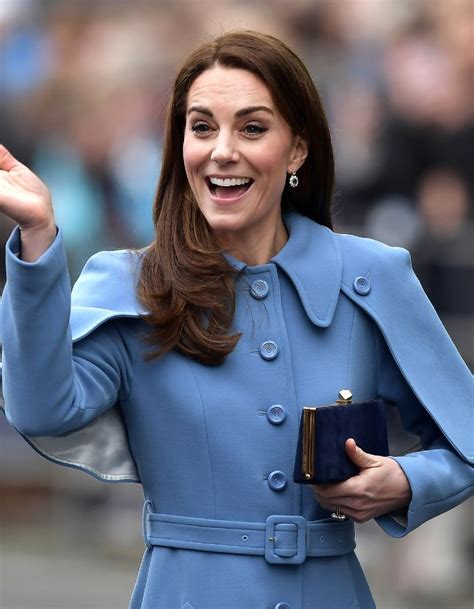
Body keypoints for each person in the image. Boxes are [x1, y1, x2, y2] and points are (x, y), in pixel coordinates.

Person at [0, 30, 472, 609]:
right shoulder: (129, 284)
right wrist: (37, 238)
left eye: (252, 128)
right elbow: (41, 410)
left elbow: (465, 439)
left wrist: (405, 482)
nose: (222, 150)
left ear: (297, 150)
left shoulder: (371, 277)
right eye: (202, 128)